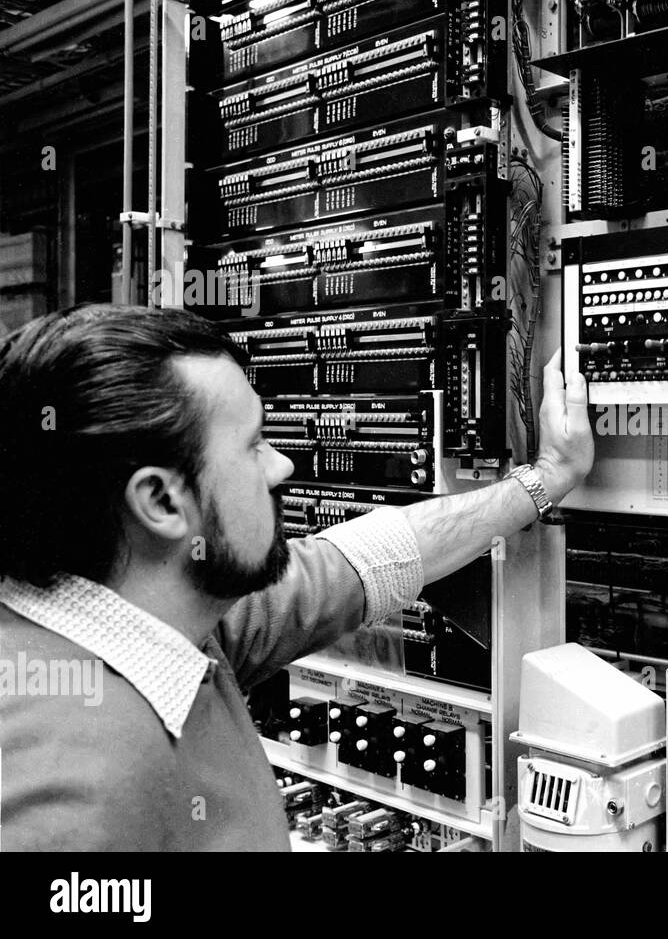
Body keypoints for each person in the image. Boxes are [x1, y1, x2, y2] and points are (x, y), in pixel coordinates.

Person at [0, 304, 593, 850]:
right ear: (160, 500)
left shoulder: (173, 618)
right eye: (254, 445)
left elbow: (370, 557)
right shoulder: (66, 801)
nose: (283, 465)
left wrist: (546, 477)